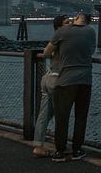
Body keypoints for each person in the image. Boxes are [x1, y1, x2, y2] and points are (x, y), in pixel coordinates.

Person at [44, 12, 96, 162]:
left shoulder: (62, 31)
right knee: (81, 116)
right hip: (86, 80)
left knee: (62, 117)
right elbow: (91, 51)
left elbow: (47, 52)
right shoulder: (91, 32)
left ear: (77, 18)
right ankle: (77, 150)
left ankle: (60, 152)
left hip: (66, 80)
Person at [32, 15, 68, 157]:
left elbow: (46, 54)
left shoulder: (54, 39)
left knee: (44, 115)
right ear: (58, 27)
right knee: (61, 115)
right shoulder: (63, 39)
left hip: (47, 78)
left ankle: (38, 146)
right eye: (67, 23)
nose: (70, 25)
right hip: (57, 80)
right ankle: (61, 147)